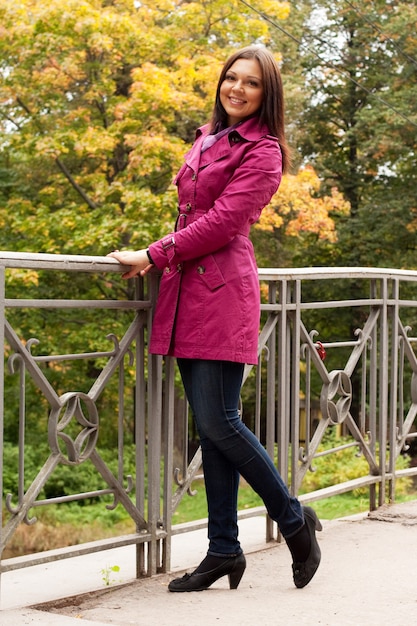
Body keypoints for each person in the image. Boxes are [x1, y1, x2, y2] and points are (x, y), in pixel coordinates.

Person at [108, 44, 322, 592]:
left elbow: (226, 222)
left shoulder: (265, 152)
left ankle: (294, 519)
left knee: (221, 421)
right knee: (211, 426)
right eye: (232, 78)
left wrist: (152, 254)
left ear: (265, 94)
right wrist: (163, 259)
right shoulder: (206, 138)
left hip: (223, 290)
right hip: (185, 291)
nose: (237, 89)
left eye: (251, 83)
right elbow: (192, 212)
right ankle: (224, 548)